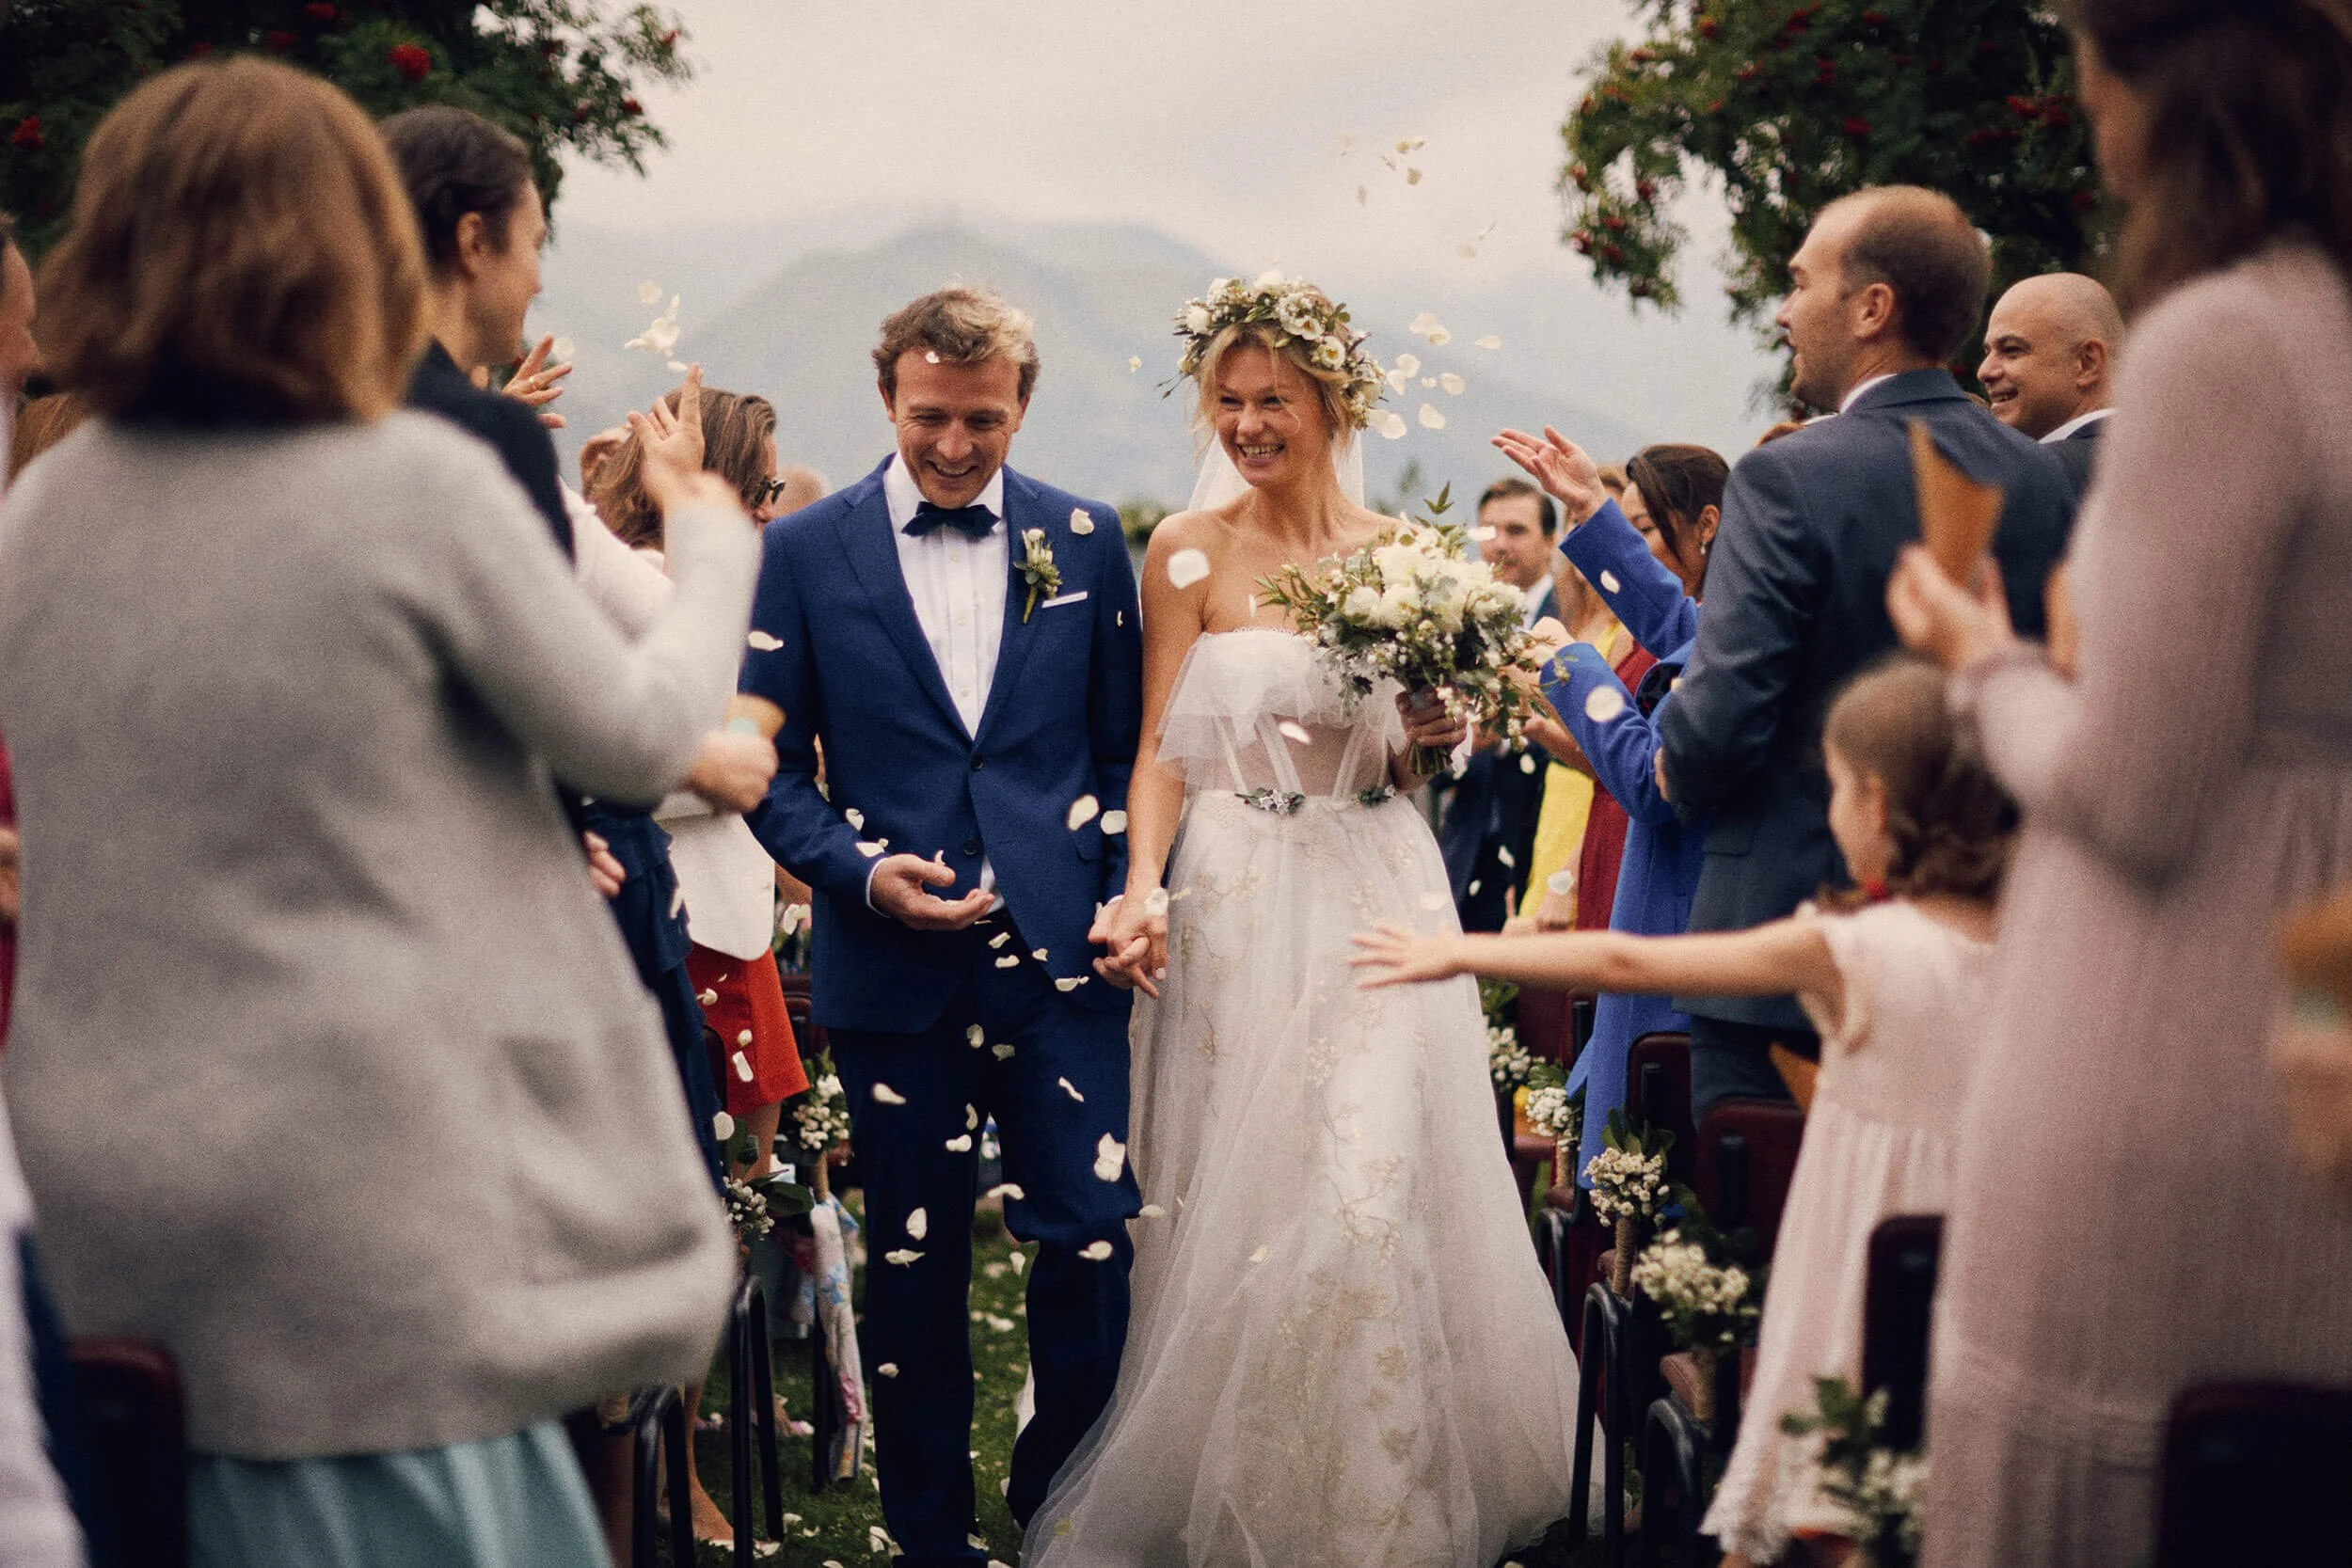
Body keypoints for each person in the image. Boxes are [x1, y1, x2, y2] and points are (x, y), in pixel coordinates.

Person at [0, 57, 756, 1565]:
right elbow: (638, 730)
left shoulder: (43, 512)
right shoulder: (404, 481)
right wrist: (716, 538)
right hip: (352, 1200)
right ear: (345, 243)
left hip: (96, 1191)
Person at [1882, 3, 2352, 1561]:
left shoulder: (2225, 340)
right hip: (2312, 992)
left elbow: (2138, 786)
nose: (2084, 102)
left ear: (2165, 81)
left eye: (2090, 60)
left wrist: (1982, 663)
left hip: (2177, 1003)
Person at [1032, 277, 1578, 1567]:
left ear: (1332, 402)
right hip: (1232, 886)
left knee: (1363, 1187)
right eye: (1227, 399)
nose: (1247, 421)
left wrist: (1429, 736)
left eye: (1272, 398)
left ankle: (1374, 1512)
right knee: (1244, 1196)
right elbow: (1162, 745)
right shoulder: (1188, 548)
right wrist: (1140, 882)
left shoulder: (1407, 555)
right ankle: (1250, 1496)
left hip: (1371, 882)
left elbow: (1405, 762)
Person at [1350, 658, 2011, 1566]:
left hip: (1857, 1255)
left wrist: (1455, 952)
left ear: (1881, 804)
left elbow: (1632, 964)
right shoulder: (2034, 947)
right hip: (1988, 1265)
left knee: (1819, 1505)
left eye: (1833, 789)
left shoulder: (1856, 948)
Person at [739, 286, 1144, 1560]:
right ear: (885, 401)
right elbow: (767, 769)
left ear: (1020, 404)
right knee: (916, 1267)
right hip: (891, 966)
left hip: (1061, 954)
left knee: (1089, 1232)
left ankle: (1054, 1499)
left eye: (981, 419)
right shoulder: (804, 550)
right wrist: (859, 872)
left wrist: (1126, 889)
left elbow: (1125, 746)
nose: (956, 446)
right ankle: (930, 1537)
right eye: (929, 419)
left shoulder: (1084, 537)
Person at [383, 103, 772, 1196]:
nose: (541, 279)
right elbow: (651, 699)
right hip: (519, 923)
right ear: (472, 241)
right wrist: (693, 507)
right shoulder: (476, 436)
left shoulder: (320, 409)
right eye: (535, 238)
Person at [1656, 184, 2074, 1117]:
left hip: (1787, 956)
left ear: (1871, 307)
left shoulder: (1785, 474)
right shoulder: (2044, 477)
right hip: (1985, 943)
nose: (1783, 308)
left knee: (1762, 1245)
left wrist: (1668, 754)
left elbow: (1718, 723)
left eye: (1800, 281)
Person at [1500, 435, 1727, 1183]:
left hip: (1675, 935)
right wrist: (1589, 510)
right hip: (1661, 920)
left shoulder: (1752, 644)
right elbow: (1675, 621)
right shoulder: (1727, 625)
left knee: (1640, 1187)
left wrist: (1567, 662)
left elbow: (1649, 781)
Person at [1436, 478, 1559, 932]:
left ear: (1552, 540)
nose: (1500, 545)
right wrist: (1463, 741)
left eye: (1517, 530)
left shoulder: (1570, 618)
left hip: (1541, 839)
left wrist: (1510, 735)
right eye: (1489, 532)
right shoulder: (1454, 623)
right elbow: (1432, 761)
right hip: (1467, 846)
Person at [1978, 272, 2123, 495]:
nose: (1984, 372)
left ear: (2086, 363)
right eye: (1987, 352)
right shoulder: (2178, 461)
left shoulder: (2028, 478)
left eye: (2011, 350)